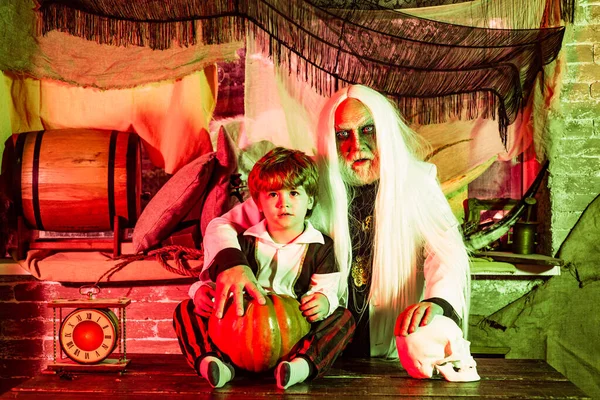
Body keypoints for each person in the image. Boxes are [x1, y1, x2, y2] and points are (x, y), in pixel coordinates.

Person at [183, 84, 473, 378]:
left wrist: (437, 301)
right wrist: (233, 266)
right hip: (311, 337)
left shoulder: (419, 181)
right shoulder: (307, 184)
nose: (355, 146)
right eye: (342, 135)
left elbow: (445, 250)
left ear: (384, 130)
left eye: (368, 130)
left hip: (389, 347)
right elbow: (223, 225)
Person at [173, 147, 354, 389]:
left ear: (310, 201)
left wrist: (323, 301)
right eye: (273, 195)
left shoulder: (321, 247)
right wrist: (201, 292)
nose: (284, 203)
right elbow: (217, 281)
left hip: (293, 332)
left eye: (293, 193)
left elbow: (329, 289)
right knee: (186, 309)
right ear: (258, 202)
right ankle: (214, 362)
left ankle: (301, 365)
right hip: (242, 328)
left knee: (344, 318)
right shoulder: (244, 242)